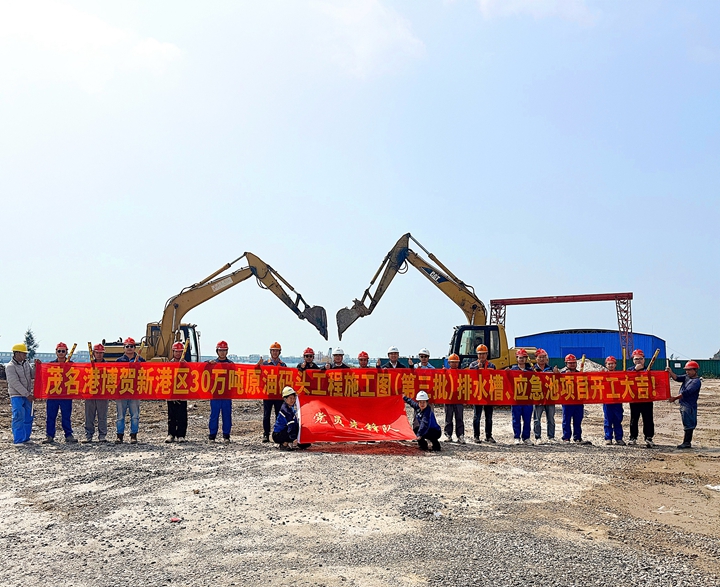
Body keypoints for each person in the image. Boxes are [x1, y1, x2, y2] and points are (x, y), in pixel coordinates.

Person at [43, 342, 77, 444]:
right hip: (53, 394)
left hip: (66, 394)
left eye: (63, 351)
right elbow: (44, 376)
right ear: (56, 352)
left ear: (66, 352)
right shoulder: (51, 365)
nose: (61, 353)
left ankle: (68, 435)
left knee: (66, 416)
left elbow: (77, 377)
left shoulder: (71, 364)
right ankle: (49, 436)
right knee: (50, 416)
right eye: (59, 351)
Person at [115, 337, 144, 444]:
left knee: (135, 415)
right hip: (122, 391)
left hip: (135, 391)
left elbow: (147, 373)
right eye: (127, 346)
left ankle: (133, 435)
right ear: (124, 348)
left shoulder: (141, 360)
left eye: (131, 346)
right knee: (120, 416)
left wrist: (138, 366)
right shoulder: (119, 361)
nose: (129, 348)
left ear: (135, 348)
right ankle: (119, 436)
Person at [668, 360, 702, 449]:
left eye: (689, 370)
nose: (687, 372)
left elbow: (686, 393)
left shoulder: (696, 382)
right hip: (684, 404)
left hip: (689, 405)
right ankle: (686, 442)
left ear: (695, 370)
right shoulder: (687, 377)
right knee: (687, 423)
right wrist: (670, 372)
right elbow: (677, 378)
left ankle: (687, 442)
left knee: (689, 424)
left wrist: (674, 398)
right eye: (686, 370)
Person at [258, 342, 287, 443]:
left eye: (277, 351)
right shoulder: (265, 364)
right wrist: (258, 365)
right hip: (268, 393)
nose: (275, 352)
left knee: (279, 415)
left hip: (279, 394)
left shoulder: (283, 365)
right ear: (270, 352)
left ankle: (278, 433)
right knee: (267, 415)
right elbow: (256, 374)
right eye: (273, 351)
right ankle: (266, 434)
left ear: (279, 352)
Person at [7, 343, 34, 445]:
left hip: (27, 395)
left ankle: (26, 438)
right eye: (23, 353)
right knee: (18, 416)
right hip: (16, 395)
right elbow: (15, 382)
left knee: (28, 416)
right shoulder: (10, 366)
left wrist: (37, 367)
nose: (25, 355)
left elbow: (32, 375)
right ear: (17, 353)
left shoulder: (26, 364)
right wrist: (27, 394)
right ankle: (18, 439)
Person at [560, 354, 590, 444]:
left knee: (578, 420)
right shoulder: (562, 374)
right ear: (566, 363)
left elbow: (587, 385)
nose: (572, 364)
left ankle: (577, 437)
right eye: (570, 363)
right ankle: (566, 437)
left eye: (574, 363)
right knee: (566, 420)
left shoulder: (580, 374)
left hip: (578, 401)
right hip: (567, 401)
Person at [469, 344, 496, 444]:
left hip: (488, 394)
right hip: (478, 394)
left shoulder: (492, 366)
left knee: (489, 417)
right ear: (477, 355)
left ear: (487, 354)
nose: (482, 356)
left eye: (483, 354)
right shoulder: (473, 365)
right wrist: (477, 368)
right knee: (477, 416)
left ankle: (489, 436)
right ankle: (476, 436)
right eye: (480, 354)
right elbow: (470, 376)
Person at [627, 349, 655, 448]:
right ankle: (633, 437)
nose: (638, 361)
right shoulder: (629, 370)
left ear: (644, 359)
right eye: (636, 359)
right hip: (634, 399)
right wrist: (635, 370)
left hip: (647, 399)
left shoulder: (649, 370)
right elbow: (626, 380)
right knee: (634, 419)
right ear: (633, 360)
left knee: (648, 419)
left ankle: (648, 437)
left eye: (640, 359)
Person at [82, 344, 109, 443]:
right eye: (97, 353)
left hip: (102, 394)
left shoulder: (108, 366)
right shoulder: (88, 366)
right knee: (89, 416)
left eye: (101, 353)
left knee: (102, 416)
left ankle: (102, 435)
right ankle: (88, 435)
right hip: (90, 394)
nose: (99, 355)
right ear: (93, 353)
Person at [209, 341, 233, 443]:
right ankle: (212, 435)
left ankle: (226, 435)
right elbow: (201, 368)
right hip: (215, 394)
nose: (222, 352)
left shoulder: (231, 364)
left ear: (227, 351)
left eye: (224, 350)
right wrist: (208, 363)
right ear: (217, 351)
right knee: (214, 415)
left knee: (227, 415)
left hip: (227, 394)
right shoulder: (212, 363)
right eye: (220, 350)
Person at [510, 349, 534, 445]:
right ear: (517, 358)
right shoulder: (512, 370)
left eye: (524, 358)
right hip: (516, 398)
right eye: (520, 358)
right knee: (516, 418)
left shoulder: (530, 371)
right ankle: (517, 437)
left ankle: (526, 437)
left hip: (528, 398)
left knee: (527, 419)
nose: (522, 359)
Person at [166, 342, 188, 443]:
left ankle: (181, 435)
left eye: (180, 352)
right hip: (171, 393)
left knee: (182, 415)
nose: (178, 354)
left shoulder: (186, 364)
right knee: (171, 416)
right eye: (176, 351)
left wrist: (184, 365)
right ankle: (171, 434)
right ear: (173, 352)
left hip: (182, 392)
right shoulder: (169, 364)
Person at [532, 349, 556, 443]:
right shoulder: (532, 369)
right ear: (536, 358)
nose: (542, 359)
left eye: (544, 357)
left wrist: (557, 374)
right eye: (540, 357)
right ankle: (538, 437)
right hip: (538, 397)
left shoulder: (551, 369)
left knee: (551, 419)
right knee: (537, 419)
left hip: (549, 397)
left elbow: (558, 381)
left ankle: (551, 437)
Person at [443, 354, 466, 443]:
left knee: (459, 417)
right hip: (448, 398)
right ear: (449, 363)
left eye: (456, 362)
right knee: (448, 418)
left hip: (459, 398)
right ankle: (448, 435)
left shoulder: (462, 373)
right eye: (452, 362)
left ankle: (460, 435)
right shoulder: (446, 372)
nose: (454, 364)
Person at [602, 356, 625, 446]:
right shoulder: (602, 375)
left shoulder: (620, 375)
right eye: (609, 364)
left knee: (618, 420)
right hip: (607, 401)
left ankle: (619, 438)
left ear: (615, 364)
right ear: (606, 365)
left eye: (612, 364)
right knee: (608, 420)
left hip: (617, 401)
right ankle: (608, 438)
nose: (611, 365)